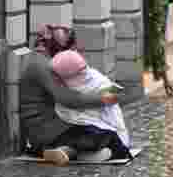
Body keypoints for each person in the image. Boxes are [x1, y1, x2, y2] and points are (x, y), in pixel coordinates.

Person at [19, 24, 119, 165]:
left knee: (105, 139)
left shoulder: (40, 61)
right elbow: (69, 99)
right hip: (48, 133)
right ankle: (61, 150)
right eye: (66, 49)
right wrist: (104, 98)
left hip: (50, 129)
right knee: (106, 136)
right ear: (55, 46)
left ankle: (66, 151)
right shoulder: (43, 65)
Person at [51, 50, 131, 160]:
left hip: (102, 128)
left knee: (105, 139)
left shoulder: (96, 81)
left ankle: (74, 152)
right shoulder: (65, 86)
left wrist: (106, 97)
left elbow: (114, 97)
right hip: (77, 127)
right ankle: (70, 151)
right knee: (69, 136)